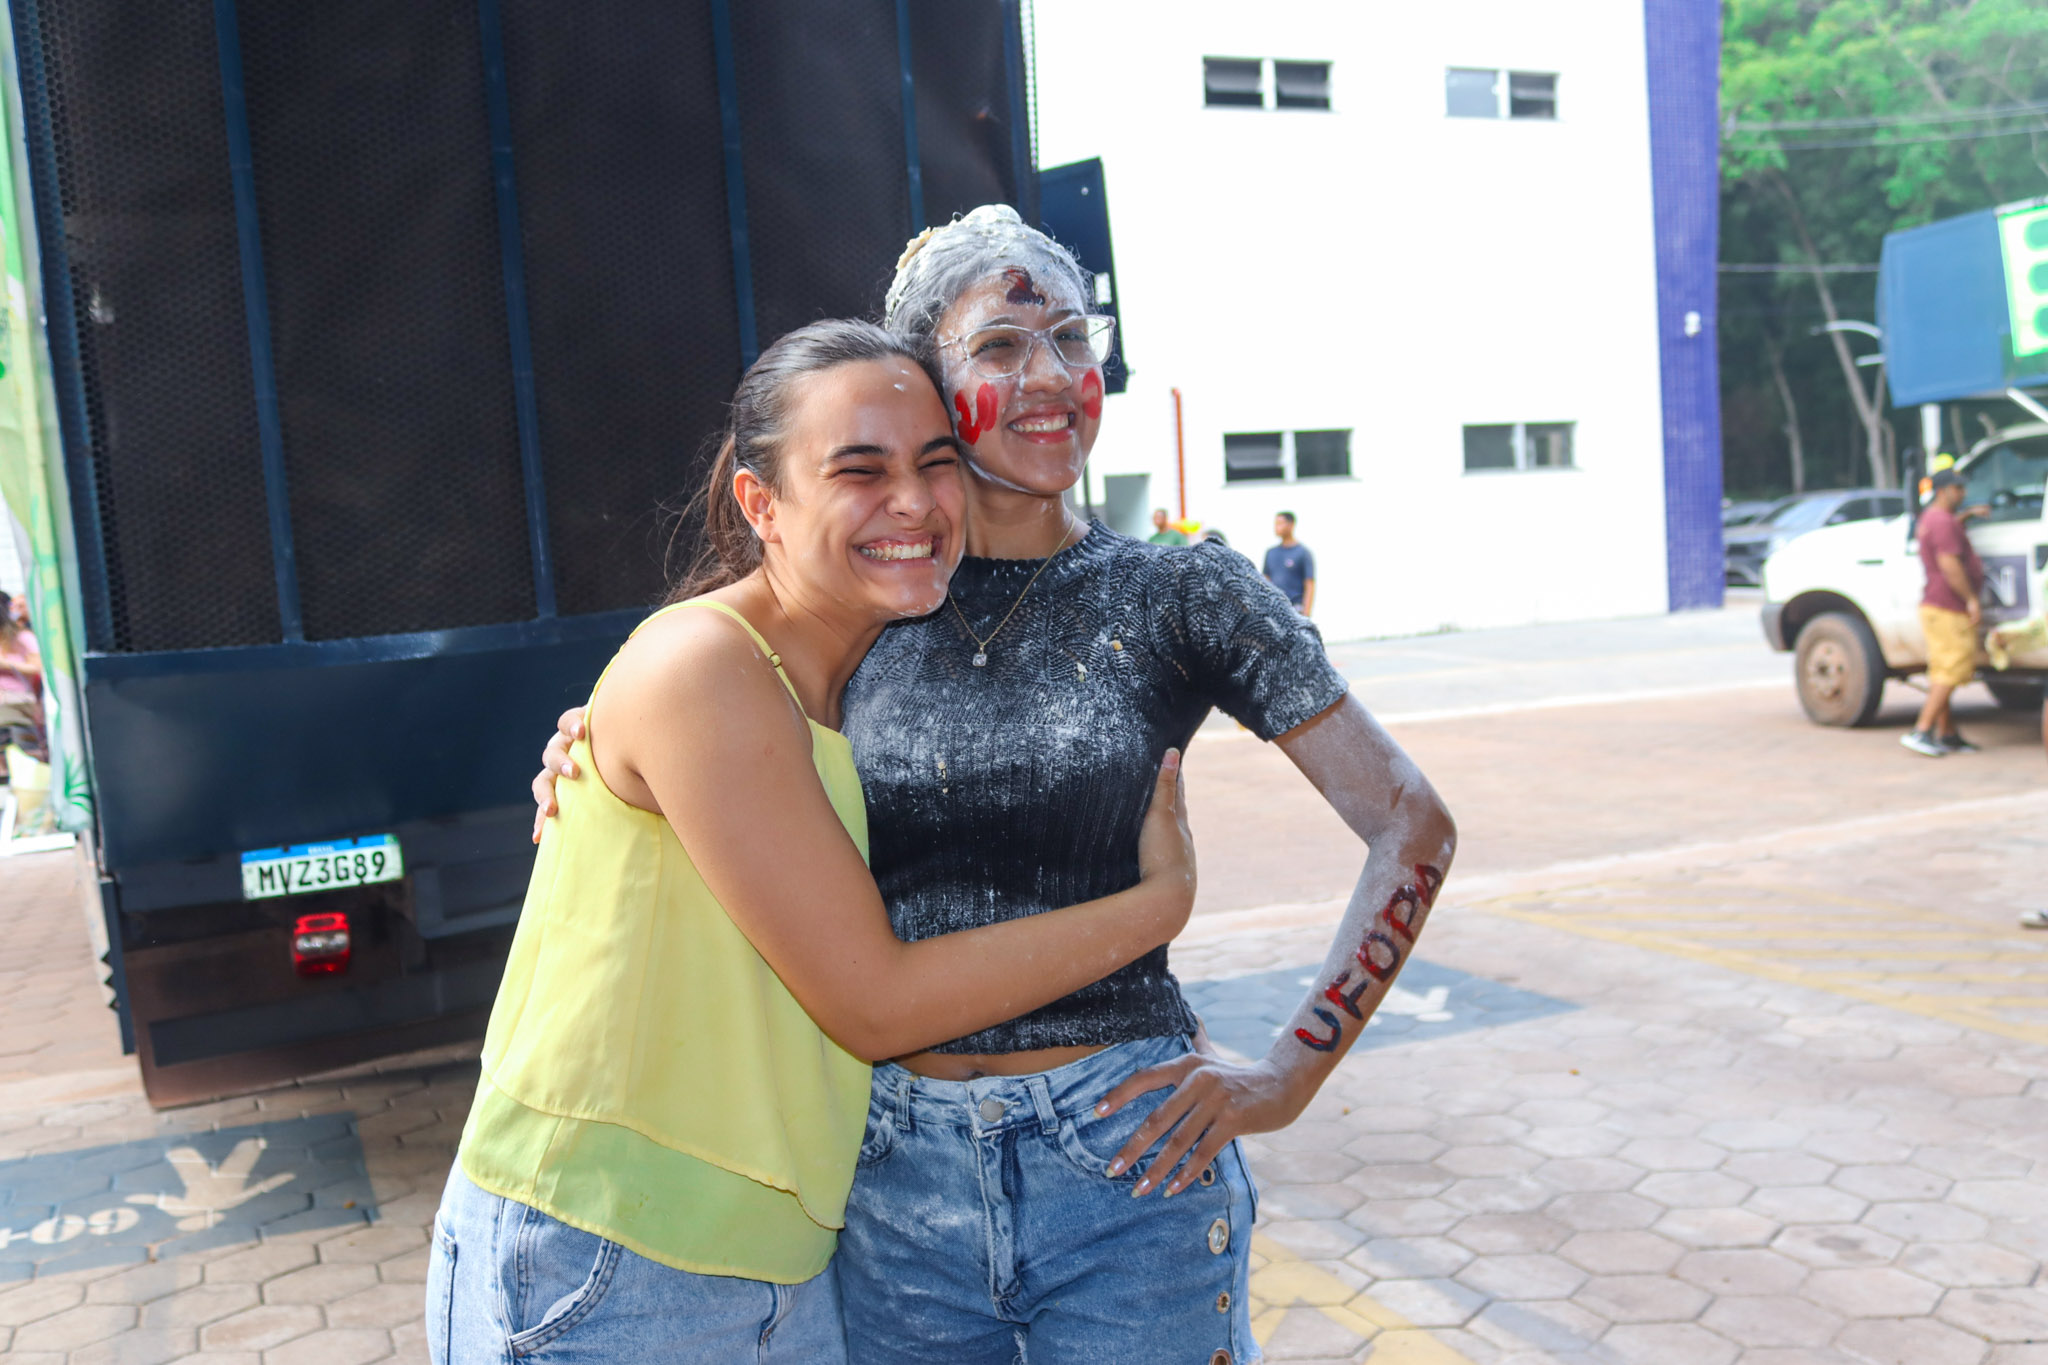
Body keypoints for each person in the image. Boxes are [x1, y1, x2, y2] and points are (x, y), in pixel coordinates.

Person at [535, 206, 1455, 1364]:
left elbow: (1410, 822)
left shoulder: (1184, 594)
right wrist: (595, 738)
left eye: (1072, 338)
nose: (1051, 377)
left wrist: (1287, 1073)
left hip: (1128, 1164)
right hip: (884, 1183)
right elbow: (692, 706)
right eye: (1002, 347)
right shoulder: (862, 596)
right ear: (924, 382)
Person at [432, 321, 1198, 1365]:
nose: (913, 502)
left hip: (779, 1261)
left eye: (935, 462)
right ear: (761, 504)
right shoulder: (706, 666)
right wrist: (1154, 908)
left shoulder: (855, 680)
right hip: (609, 1255)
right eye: (860, 470)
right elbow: (875, 1001)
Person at [1903, 470, 1987, 757]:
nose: (1962, 493)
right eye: (1957, 488)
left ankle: (1947, 732)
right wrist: (1971, 600)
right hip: (1948, 606)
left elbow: (1946, 533)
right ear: (1942, 491)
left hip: (1935, 605)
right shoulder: (1943, 522)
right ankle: (1922, 730)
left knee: (1941, 671)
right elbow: (1950, 564)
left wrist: (1966, 516)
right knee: (1953, 669)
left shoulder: (1933, 518)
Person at [1262, 510, 1315, 617]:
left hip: (1295, 609)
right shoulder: (1271, 553)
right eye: (1276, 524)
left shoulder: (1302, 553)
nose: (1276, 527)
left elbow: (1309, 584)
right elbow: (1265, 580)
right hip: (1274, 609)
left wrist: (1306, 614)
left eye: (1280, 524)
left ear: (1291, 525)